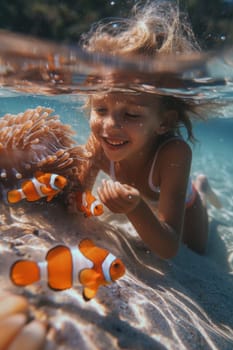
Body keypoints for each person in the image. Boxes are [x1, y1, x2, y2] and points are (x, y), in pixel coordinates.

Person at [72, 1, 221, 258]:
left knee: (198, 251)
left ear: (163, 122)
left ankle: (201, 187)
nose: (109, 126)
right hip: (141, 199)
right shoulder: (99, 142)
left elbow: (169, 248)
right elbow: (74, 196)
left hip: (185, 204)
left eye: (131, 114)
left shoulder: (173, 152)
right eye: (100, 110)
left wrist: (136, 208)